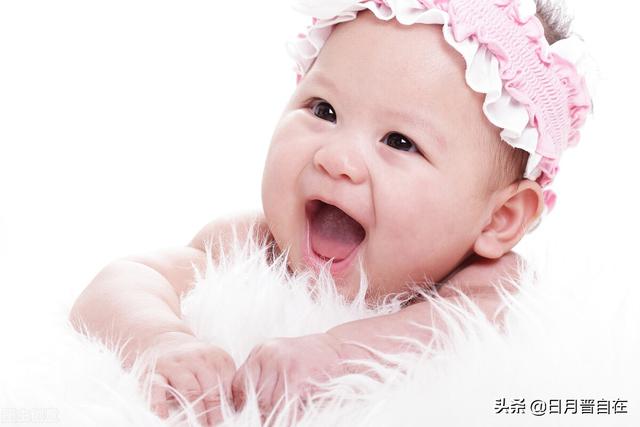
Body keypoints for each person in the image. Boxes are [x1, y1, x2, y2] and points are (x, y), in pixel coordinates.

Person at [69, 0, 592, 425]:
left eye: (400, 141)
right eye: (324, 110)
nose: (337, 158)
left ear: (500, 219)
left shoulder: (487, 286)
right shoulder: (253, 245)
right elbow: (124, 280)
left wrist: (338, 356)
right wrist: (161, 340)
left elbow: (459, 330)